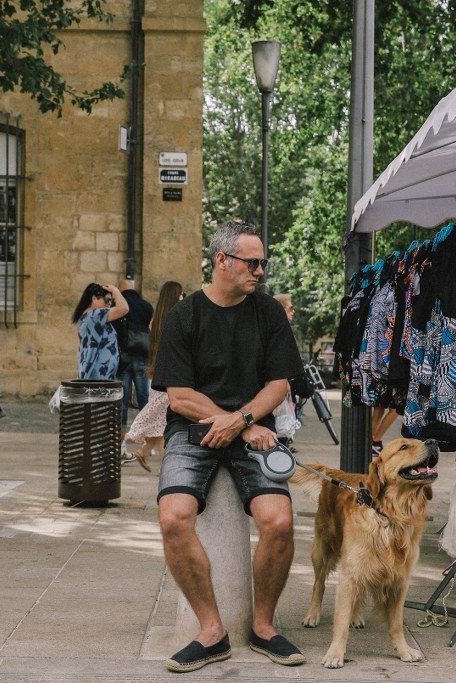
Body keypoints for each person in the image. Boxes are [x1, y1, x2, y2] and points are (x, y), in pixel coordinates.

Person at [152, 220, 305, 673]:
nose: (260, 271)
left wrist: (243, 421)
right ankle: (211, 631)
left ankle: (264, 626)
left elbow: (278, 384)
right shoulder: (184, 315)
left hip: (252, 426)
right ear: (222, 261)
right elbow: (178, 396)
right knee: (173, 518)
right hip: (193, 429)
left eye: (263, 263)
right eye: (251, 262)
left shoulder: (268, 314)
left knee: (279, 521)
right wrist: (240, 425)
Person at [125, 280, 184, 471]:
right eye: (181, 294)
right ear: (175, 296)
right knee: (166, 423)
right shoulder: (176, 320)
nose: (183, 297)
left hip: (157, 376)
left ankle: (145, 451)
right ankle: (166, 468)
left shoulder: (156, 320)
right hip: (169, 377)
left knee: (162, 421)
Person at [114, 278, 153, 429]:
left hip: (123, 357)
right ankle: (145, 431)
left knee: (122, 398)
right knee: (143, 395)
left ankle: (121, 430)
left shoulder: (118, 306)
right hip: (142, 356)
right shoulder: (146, 306)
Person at [72, 281, 128, 381]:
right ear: (94, 299)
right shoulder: (96, 315)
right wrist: (115, 290)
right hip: (100, 374)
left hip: (94, 371)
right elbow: (124, 308)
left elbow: (79, 348)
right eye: (107, 300)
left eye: (111, 301)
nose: (109, 304)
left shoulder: (85, 317)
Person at [272, 293, 301, 452]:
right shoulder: (280, 329)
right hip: (282, 383)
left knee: (283, 418)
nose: (293, 311)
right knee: (280, 420)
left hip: (285, 383)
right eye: (290, 307)